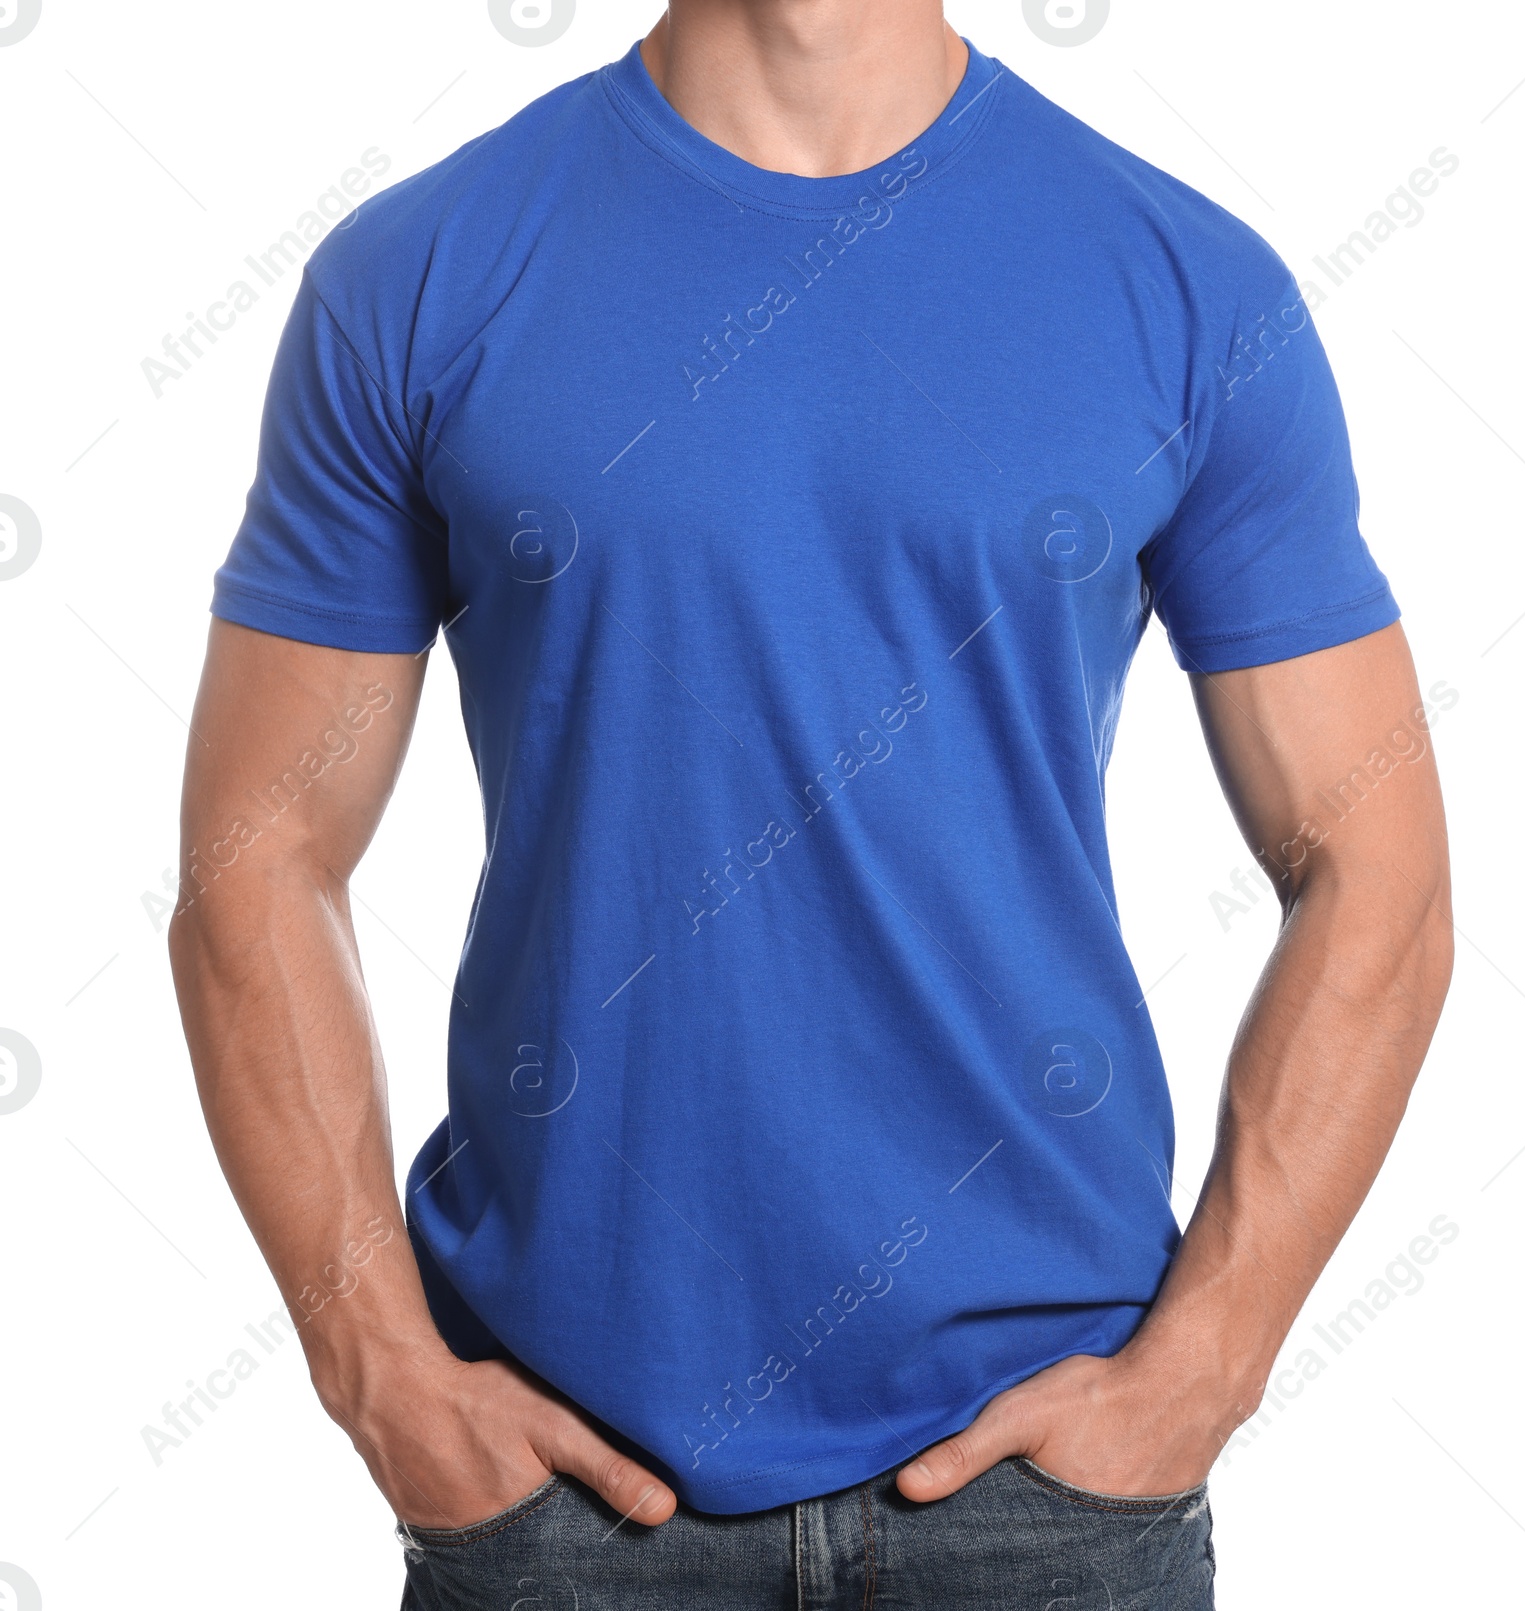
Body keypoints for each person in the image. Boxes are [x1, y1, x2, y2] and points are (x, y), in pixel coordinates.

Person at [169, 2, 1453, 1606]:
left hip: (1046, 1492)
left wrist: (1211, 1364)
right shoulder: (419, 272)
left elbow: (1375, 866)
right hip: (561, 1491)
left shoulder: (1188, 286)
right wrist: (380, 1373)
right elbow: (258, 857)